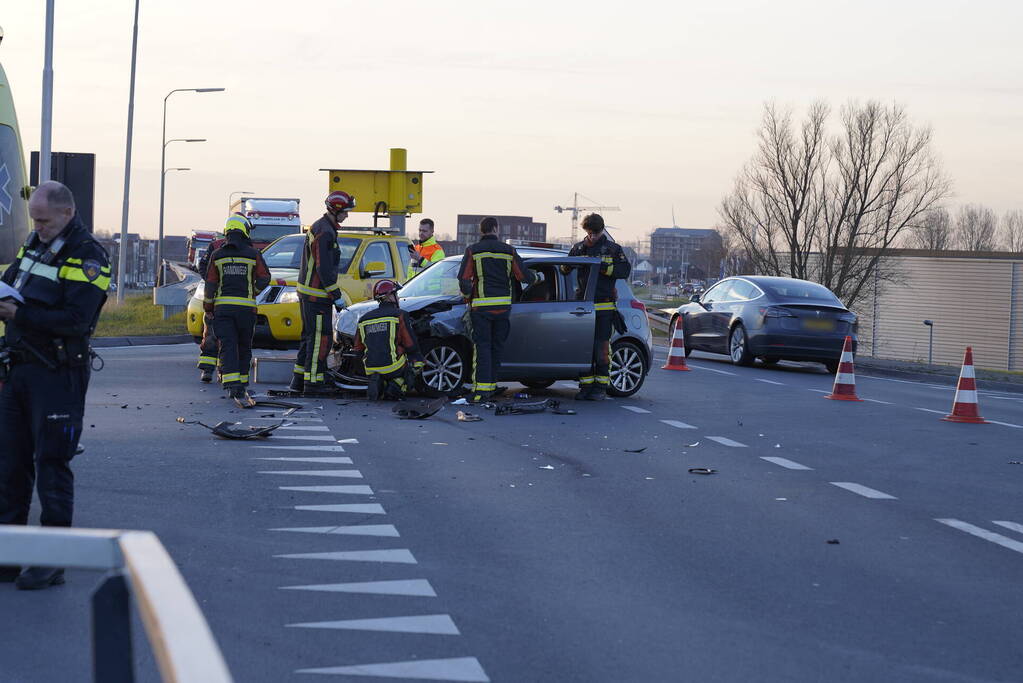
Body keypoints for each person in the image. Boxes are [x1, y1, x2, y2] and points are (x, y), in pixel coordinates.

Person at [0, 181, 110, 590]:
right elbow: (16, 284)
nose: (38, 227)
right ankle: (9, 555)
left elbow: (77, 321)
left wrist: (16, 315)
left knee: (51, 464)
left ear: (66, 213)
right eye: (36, 221)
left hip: (57, 374)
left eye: (44, 221)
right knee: (9, 466)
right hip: (20, 369)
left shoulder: (89, 256)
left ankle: (52, 561)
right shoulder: (34, 243)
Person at [457, 216, 533, 403]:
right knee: (496, 348)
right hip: (502, 309)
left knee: (482, 348)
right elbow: (523, 276)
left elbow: (464, 278)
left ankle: (482, 390)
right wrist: (536, 279)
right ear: (496, 229)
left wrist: (469, 298)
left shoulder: (473, 250)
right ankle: (491, 386)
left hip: (481, 309)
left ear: (481, 230)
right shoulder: (509, 251)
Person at [203, 214, 271, 406]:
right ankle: (241, 383)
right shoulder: (253, 254)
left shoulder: (217, 256)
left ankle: (232, 385)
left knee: (228, 345)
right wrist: (253, 291)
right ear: (244, 231)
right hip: (246, 310)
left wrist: (208, 307)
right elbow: (265, 278)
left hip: (223, 310)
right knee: (243, 346)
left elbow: (210, 285)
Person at [292, 191, 355, 395]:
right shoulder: (325, 231)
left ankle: (299, 380)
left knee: (309, 338)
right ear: (335, 210)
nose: (347, 216)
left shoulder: (322, 227)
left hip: (309, 294)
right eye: (345, 212)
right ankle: (313, 384)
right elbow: (324, 268)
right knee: (321, 338)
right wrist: (336, 295)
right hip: (316, 296)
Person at [564, 213, 631, 400]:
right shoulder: (577, 249)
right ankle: (585, 387)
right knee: (583, 348)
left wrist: (604, 268)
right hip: (583, 308)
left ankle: (600, 388)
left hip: (604, 307)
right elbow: (564, 269)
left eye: (596, 233)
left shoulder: (613, 250)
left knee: (602, 350)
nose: (593, 236)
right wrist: (568, 265)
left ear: (602, 230)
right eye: (589, 233)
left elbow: (624, 270)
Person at [353, 280, 424, 400]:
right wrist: (415, 356)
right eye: (395, 294)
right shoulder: (400, 315)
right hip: (393, 367)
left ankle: (381, 383)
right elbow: (410, 344)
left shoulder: (363, 319)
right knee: (418, 361)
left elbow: (358, 348)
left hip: (370, 367)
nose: (398, 297)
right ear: (389, 296)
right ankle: (397, 385)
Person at [195, 234, 226, 383]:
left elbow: (202, 266)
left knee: (211, 334)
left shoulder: (215, 246)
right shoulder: (248, 249)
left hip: (215, 299)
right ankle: (221, 371)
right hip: (231, 300)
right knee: (229, 338)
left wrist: (210, 284)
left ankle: (209, 370)